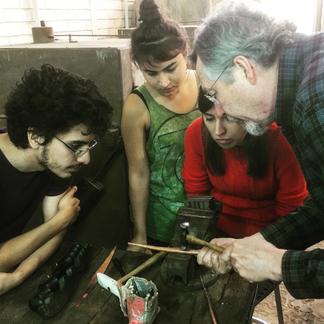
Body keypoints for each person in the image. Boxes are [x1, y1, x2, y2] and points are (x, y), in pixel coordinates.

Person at [193, 0, 324, 299]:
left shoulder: (317, 101)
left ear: (244, 68)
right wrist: (258, 243)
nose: (220, 109)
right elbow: (323, 206)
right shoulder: (307, 65)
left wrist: (279, 264)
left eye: (213, 92)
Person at [0, 64, 112, 295]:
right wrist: (58, 222)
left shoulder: (54, 163)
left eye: (89, 145)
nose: (86, 159)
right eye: (76, 146)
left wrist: (20, 274)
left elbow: (56, 228)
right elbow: (59, 222)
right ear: (36, 137)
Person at [121, 0, 200, 247]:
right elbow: (138, 172)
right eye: (151, 73)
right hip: (163, 222)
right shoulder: (137, 106)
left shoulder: (204, 83)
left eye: (170, 68)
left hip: (210, 210)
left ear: (184, 53)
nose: (164, 82)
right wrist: (140, 232)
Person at [183, 102, 307, 238]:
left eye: (229, 119)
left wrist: (263, 243)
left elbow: (291, 206)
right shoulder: (196, 132)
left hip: (269, 233)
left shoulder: (277, 140)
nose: (218, 131)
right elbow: (197, 192)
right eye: (209, 118)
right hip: (216, 226)